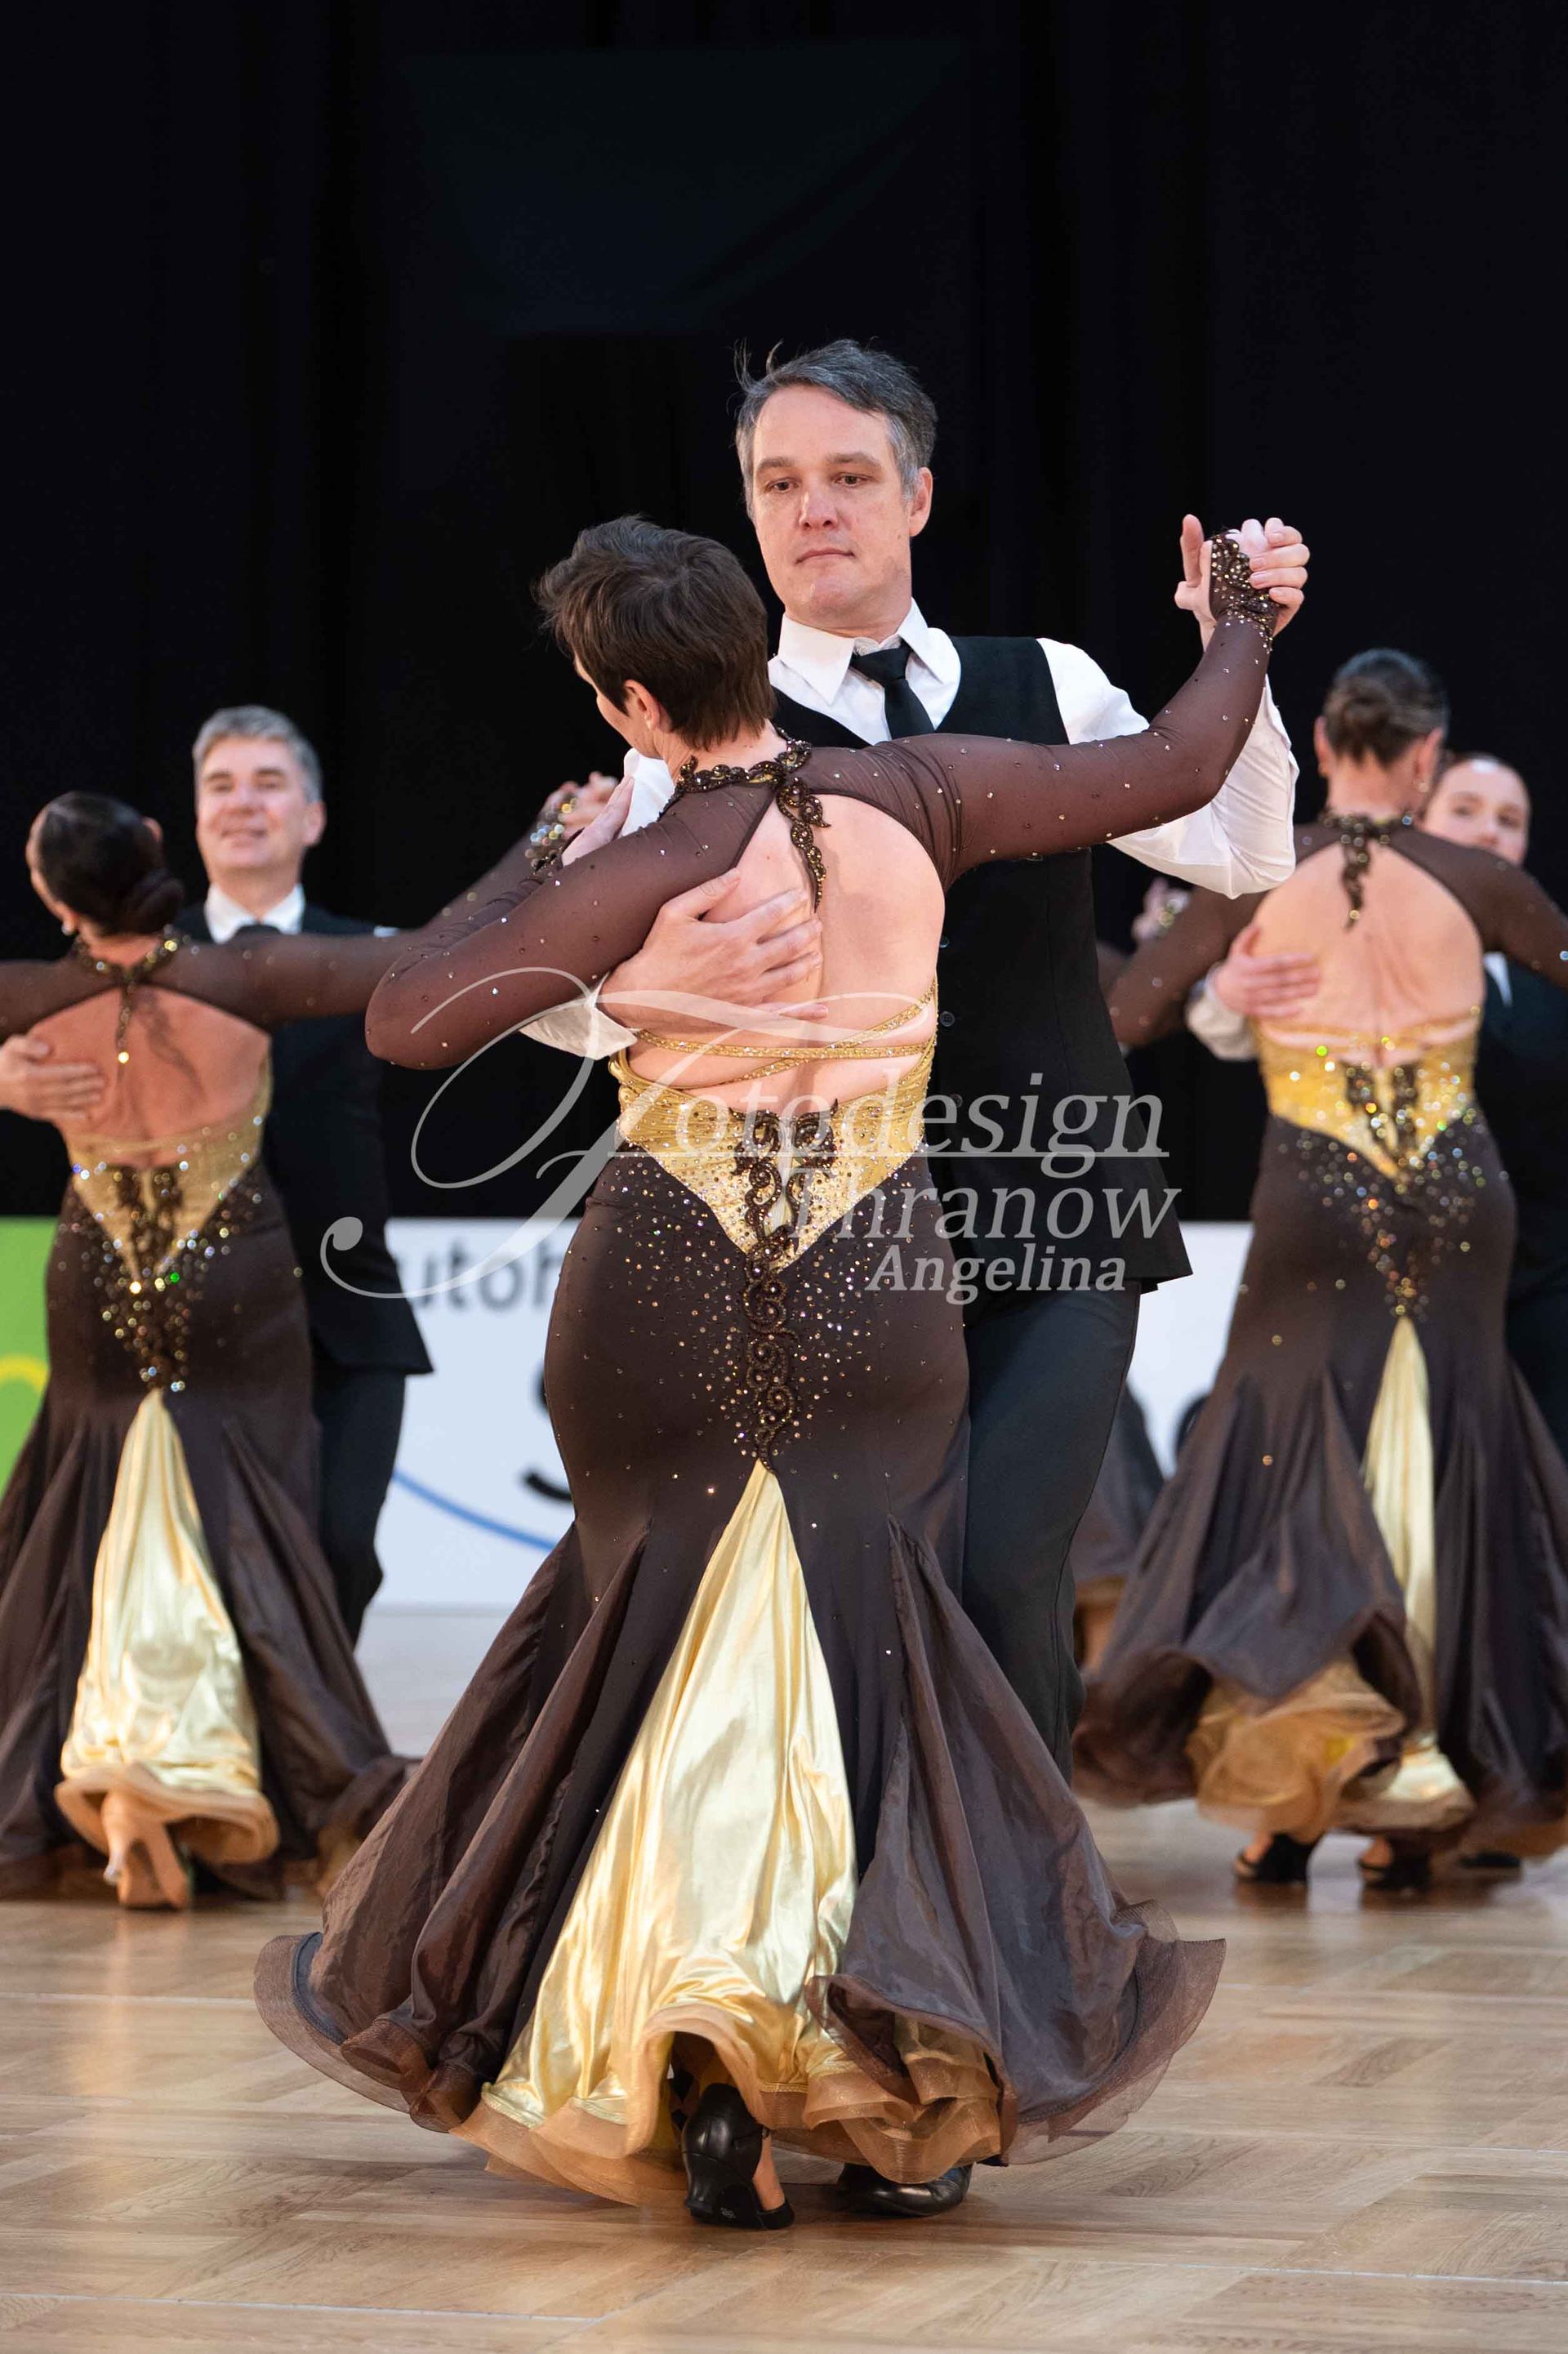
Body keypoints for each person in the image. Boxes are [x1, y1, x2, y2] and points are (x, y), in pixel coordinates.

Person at [255, 510, 1285, 2230]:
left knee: (650, 1644)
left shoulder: (646, 862)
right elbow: (1182, 761)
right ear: (753, 640)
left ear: (629, 704)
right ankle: (876, 2050)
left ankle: (690, 2050)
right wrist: (1240, 617)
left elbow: (406, 1017)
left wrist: (562, 879)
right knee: (872, 1653)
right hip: (876, 1283)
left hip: (660, 1286)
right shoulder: (924, 793)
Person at [517, 341, 1308, 1778]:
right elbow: (545, 996)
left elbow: (1242, 854)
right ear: (749, 515)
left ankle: (1012, 1895)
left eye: (848, 476)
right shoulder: (693, 735)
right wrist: (647, 985)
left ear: (918, 497)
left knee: (1007, 1564)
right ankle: (874, 1877)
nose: (814, 508)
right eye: (779, 484)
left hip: (1057, 1199)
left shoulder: (1045, 680)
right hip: (823, 1229)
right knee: (864, 1581)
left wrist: (1233, 655)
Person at [1075, 653, 1568, 1895]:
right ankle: (1421, 1786)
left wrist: (1212, 979)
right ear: (1427, 759)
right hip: (1457, 1197)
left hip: (1318, 1197)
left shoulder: (1258, 872)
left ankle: (1300, 1788)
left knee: (1289, 1464)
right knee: (1446, 1458)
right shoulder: (1480, 879)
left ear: (1323, 741)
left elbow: (1125, 1013)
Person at [0, 795, 414, 1906]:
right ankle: (224, 1780)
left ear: (54, 899)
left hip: (96, 1276)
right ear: (155, 846)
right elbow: (429, 952)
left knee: (92, 1511)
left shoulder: (30, 994)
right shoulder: (244, 976)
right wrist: (550, 845)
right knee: (246, 1524)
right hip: (230, 1278)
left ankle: (117, 1783)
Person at [1190, 751, 1568, 1472]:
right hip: (1368, 1264)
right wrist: (1221, 988)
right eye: (1465, 810)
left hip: (1538, 1281)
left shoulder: (1546, 969)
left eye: (1510, 820)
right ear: (1415, 819)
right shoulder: (1335, 932)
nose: (1489, 832)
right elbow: (1235, 1033)